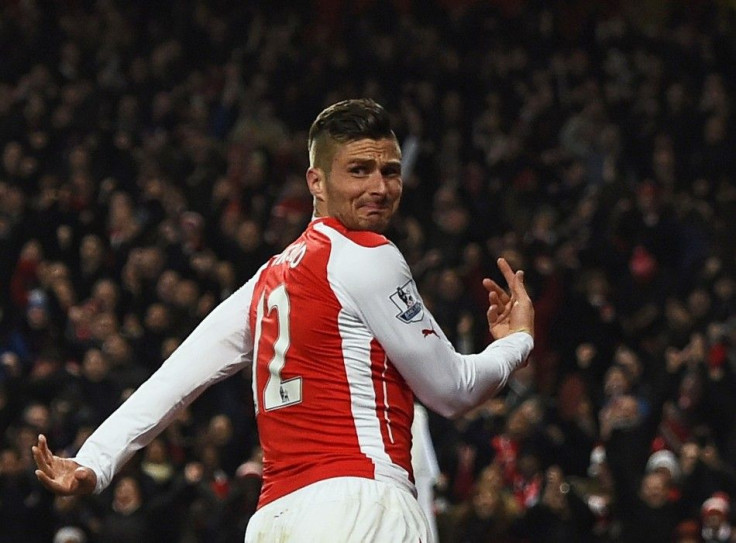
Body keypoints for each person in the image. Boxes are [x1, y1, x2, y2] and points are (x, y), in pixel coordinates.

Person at [31, 98, 535, 542]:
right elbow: (453, 390)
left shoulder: (268, 281)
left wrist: (95, 460)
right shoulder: (369, 255)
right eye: (359, 170)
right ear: (315, 180)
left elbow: (174, 379)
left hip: (275, 519)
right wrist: (516, 342)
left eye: (391, 171)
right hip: (361, 504)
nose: (380, 187)